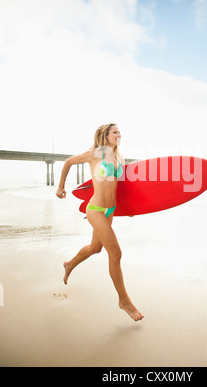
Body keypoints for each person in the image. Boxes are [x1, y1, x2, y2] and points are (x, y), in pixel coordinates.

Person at [56, 124, 144, 322]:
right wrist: (60, 187)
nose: (119, 135)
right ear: (104, 134)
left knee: (96, 248)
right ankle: (124, 301)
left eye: (120, 132)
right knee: (116, 254)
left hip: (110, 210)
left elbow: (119, 188)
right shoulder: (95, 153)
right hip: (95, 209)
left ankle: (69, 264)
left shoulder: (119, 158)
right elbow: (69, 162)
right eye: (115, 132)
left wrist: (130, 208)